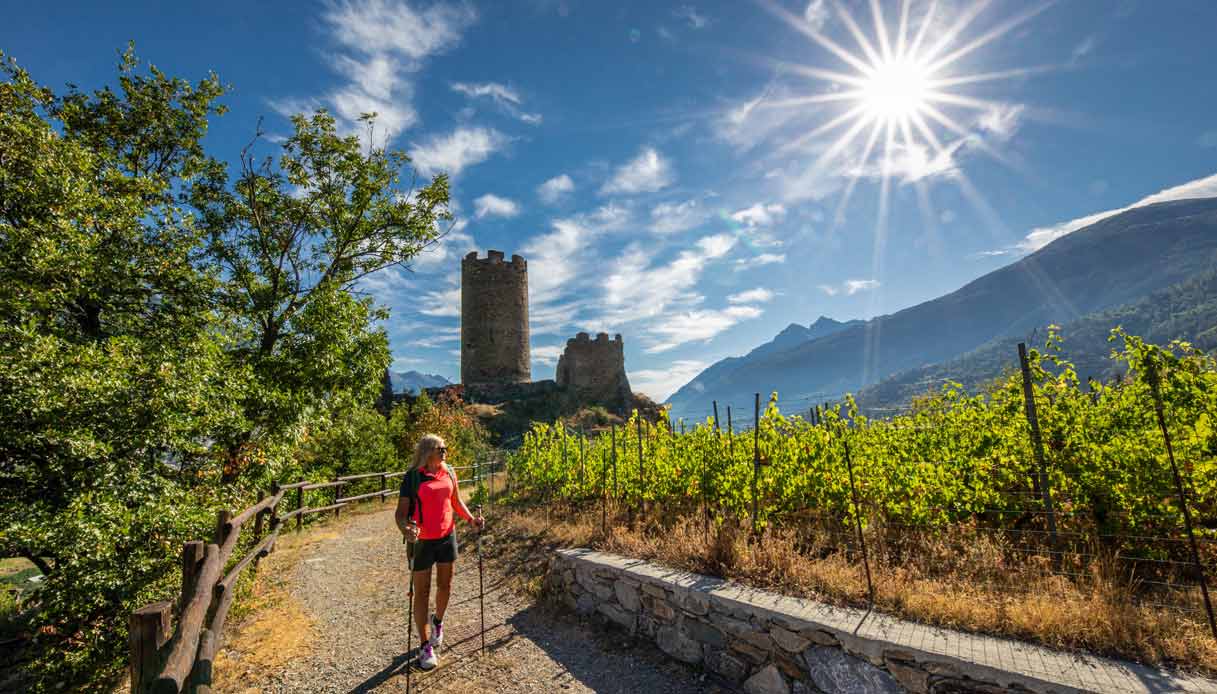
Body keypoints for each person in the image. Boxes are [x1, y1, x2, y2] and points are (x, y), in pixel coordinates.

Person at [395, 434, 484, 671]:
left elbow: (455, 501)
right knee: (421, 593)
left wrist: (471, 519)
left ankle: (438, 623)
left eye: (445, 447)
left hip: (447, 537)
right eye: (440, 448)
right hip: (421, 542)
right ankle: (425, 647)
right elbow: (401, 514)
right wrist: (406, 530)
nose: (445, 451)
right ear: (427, 451)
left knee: (446, 586)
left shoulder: (450, 472)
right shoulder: (413, 477)